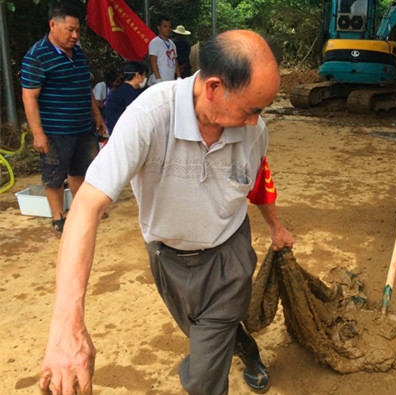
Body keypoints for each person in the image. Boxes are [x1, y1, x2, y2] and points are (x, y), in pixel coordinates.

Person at [38, 30, 294, 395]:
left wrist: (276, 227)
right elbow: (85, 206)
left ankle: (214, 357)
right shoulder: (149, 117)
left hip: (228, 254)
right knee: (202, 331)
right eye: (251, 109)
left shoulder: (256, 132)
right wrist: (67, 326)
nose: (256, 122)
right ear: (214, 88)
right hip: (168, 259)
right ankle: (245, 348)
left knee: (205, 378)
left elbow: (255, 184)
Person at [20, 4, 105, 236]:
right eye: (70, 30)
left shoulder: (78, 52)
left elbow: (84, 87)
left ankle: (79, 209)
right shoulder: (37, 55)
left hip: (82, 126)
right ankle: (58, 217)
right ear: (53, 25)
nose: (75, 36)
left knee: (81, 170)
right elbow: (29, 96)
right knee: (54, 174)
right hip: (55, 130)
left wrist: (97, 115)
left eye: (77, 30)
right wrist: (38, 133)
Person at [104, 61, 148, 135]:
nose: (145, 78)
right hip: (121, 130)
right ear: (137, 75)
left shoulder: (125, 88)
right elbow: (135, 113)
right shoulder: (127, 91)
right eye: (144, 75)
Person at [148, 15, 180, 85]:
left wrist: (179, 76)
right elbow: (153, 61)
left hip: (170, 80)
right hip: (159, 81)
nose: (168, 29)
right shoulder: (155, 42)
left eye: (169, 27)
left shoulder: (172, 44)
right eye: (165, 26)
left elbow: (175, 60)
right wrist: (158, 79)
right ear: (159, 28)